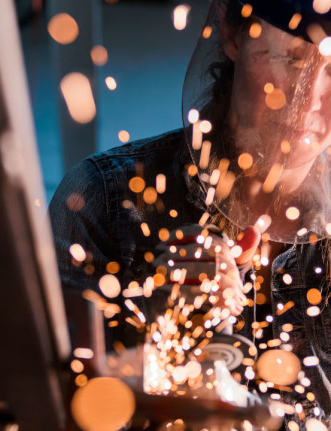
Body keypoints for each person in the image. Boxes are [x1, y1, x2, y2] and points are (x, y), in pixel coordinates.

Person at [48, 0, 330, 429]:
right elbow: (54, 410)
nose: (307, 100)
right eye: (291, 60)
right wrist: (159, 337)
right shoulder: (102, 201)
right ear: (232, 33)